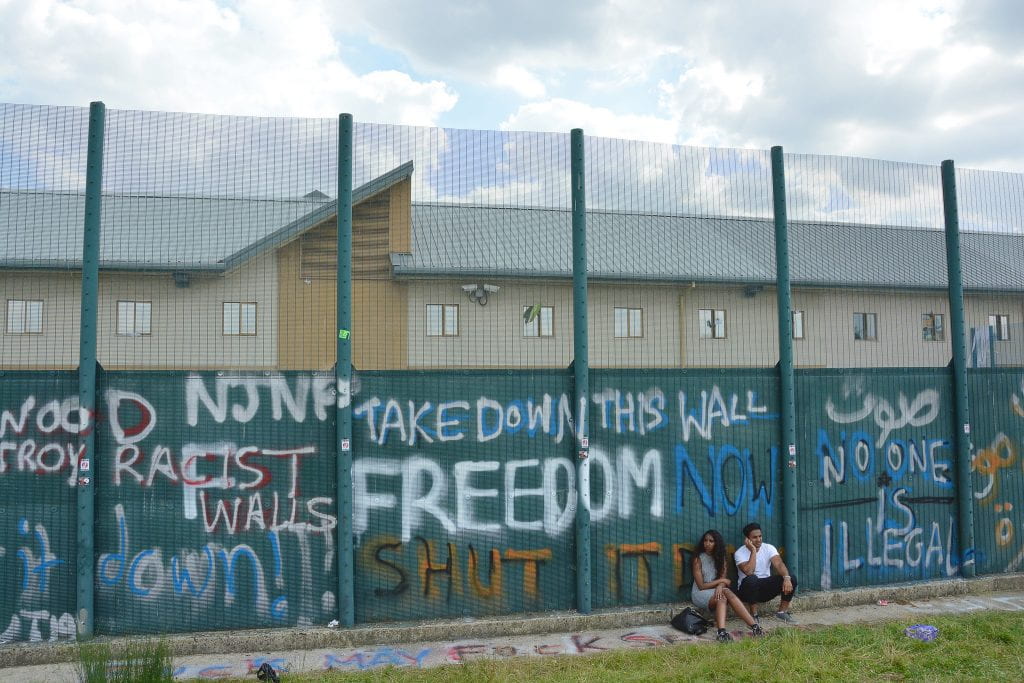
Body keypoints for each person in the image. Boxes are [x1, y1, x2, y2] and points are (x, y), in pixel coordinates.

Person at [691, 529, 765, 642]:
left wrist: (721, 585)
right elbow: (701, 586)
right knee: (725, 593)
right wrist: (723, 581)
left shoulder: (721, 558)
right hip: (700, 593)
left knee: (723, 596)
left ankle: (723, 632)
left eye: (711, 541)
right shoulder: (698, 559)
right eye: (705, 540)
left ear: (717, 543)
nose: (707, 543)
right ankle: (754, 626)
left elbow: (722, 580)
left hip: (718, 591)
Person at [734, 522, 798, 624]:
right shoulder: (739, 553)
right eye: (755, 537)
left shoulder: (769, 548)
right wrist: (753, 551)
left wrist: (786, 578)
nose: (759, 539)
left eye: (760, 536)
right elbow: (749, 571)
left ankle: (782, 612)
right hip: (746, 591)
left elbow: (779, 564)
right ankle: (754, 616)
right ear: (747, 539)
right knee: (752, 579)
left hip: (765, 589)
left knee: (791, 578)